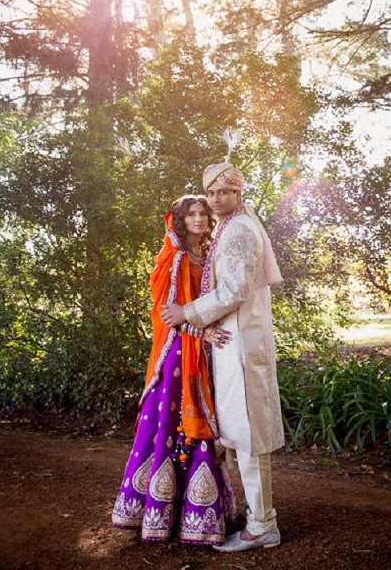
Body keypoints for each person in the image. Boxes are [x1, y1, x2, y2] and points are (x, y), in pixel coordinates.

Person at [161, 162, 284, 552]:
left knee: (249, 439)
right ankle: (257, 519)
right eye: (210, 192)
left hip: (242, 349)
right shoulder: (234, 226)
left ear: (238, 194)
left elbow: (233, 290)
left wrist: (187, 314)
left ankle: (262, 526)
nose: (215, 199)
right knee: (242, 437)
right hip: (237, 344)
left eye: (223, 192)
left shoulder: (238, 231)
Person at [112, 195, 236, 545]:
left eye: (202, 213)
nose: (198, 219)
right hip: (179, 357)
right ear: (181, 221)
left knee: (199, 427)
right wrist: (204, 331)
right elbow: (168, 315)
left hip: (201, 355)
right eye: (191, 214)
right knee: (172, 426)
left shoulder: (206, 255)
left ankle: (198, 514)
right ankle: (163, 516)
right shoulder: (177, 259)